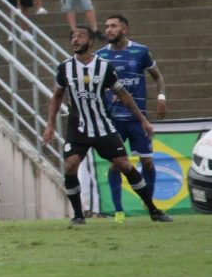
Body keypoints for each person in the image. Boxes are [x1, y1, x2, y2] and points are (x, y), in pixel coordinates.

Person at [42, 26, 172, 225]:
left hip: (103, 126)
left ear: (90, 41)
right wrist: (50, 125)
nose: (75, 39)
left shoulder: (104, 66)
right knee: (70, 165)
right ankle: (78, 215)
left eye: (80, 36)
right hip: (78, 127)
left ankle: (154, 210)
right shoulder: (65, 68)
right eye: (73, 36)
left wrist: (143, 120)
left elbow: (123, 94)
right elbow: (57, 96)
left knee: (125, 165)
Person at [97, 14, 168, 222]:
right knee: (115, 164)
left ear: (124, 29)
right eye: (107, 26)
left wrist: (161, 97)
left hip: (138, 118)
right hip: (114, 120)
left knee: (147, 162)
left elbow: (157, 77)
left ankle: (149, 205)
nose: (109, 30)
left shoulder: (140, 51)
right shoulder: (100, 56)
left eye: (113, 26)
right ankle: (118, 211)